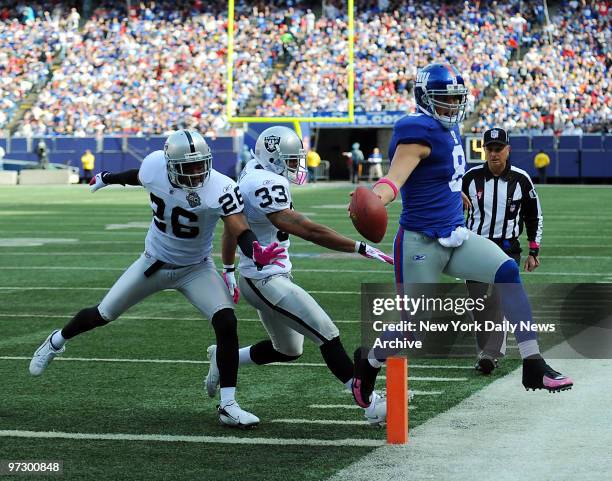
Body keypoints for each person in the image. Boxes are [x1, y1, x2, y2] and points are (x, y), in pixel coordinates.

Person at [29, 130, 287, 429]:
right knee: (103, 313)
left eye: (199, 164)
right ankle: (55, 342)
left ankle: (229, 404)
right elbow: (136, 176)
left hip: (196, 268)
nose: (195, 172)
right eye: (187, 166)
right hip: (153, 263)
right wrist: (107, 177)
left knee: (227, 322)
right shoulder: (154, 167)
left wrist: (254, 249)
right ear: (169, 165)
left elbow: (239, 228)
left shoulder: (222, 187)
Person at [350, 63, 572, 410]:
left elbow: (441, 173)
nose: (453, 105)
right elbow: (395, 178)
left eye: (457, 98)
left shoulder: (446, 127)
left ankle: (533, 363)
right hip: (420, 242)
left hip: (455, 234)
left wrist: (454, 194)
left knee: (507, 271)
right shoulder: (416, 132)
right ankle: (370, 361)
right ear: (425, 99)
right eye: (445, 99)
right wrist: (376, 199)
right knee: (414, 331)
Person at [205, 126, 393, 424]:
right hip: (265, 279)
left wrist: (229, 268)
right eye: (290, 160)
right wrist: (359, 247)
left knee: (289, 349)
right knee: (326, 332)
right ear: (273, 158)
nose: (296, 166)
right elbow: (305, 228)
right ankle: (370, 405)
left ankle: (223, 358)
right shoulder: (263, 181)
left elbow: (233, 226)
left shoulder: (253, 173)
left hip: (263, 275)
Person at [463, 128, 543, 374]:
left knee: (498, 301)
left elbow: (534, 214)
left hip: (507, 249)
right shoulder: (470, 177)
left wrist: (533, 250)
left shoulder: (521, 179)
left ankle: (491, 354)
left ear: (508, 150)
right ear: (484, 150)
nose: (494, 153)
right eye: (490, 149)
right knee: (479, 305)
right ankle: (485, 351)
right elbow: (451, 209)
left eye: (499, 148)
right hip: (474, 248)